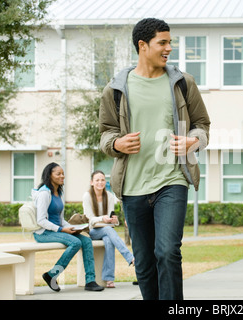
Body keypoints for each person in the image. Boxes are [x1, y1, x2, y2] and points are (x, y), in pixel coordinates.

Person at [99, 18, 210, 300]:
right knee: (145, 261)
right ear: (142, 45)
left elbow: (202, 125)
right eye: (163, 42)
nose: (169, 48)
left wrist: (193, 141)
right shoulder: (116, 88)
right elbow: (105, 134)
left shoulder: (183, 83)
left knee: (168, 251)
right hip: (133, 186)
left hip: (172, 180)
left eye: (170, 42)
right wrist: (117, 143)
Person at [32, 162, 104, 292]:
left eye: (63, 174)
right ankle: (51, 275)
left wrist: (72, 227)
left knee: (86, 241)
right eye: (58, 173)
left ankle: (90, 281)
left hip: (58, 230)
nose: (62, 176)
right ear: (50, 175)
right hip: (43, 233)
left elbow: (59, 219)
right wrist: (61, 229)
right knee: (75, 242)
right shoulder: (44, 194)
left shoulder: (58, 193)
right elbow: (41, 220)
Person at [82, 170, 135, 288]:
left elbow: (111, 222)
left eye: (102, 180)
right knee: (108, 231)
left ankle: (109, 279)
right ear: (92, 182)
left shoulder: (109, 196)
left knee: (108, 240)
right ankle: (130, 258)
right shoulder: (87, 196)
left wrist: (114, 221)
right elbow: (89, 219)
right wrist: (102, 218)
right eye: (97, 180)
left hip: (106, 230)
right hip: (91, 231)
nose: (100, 182)